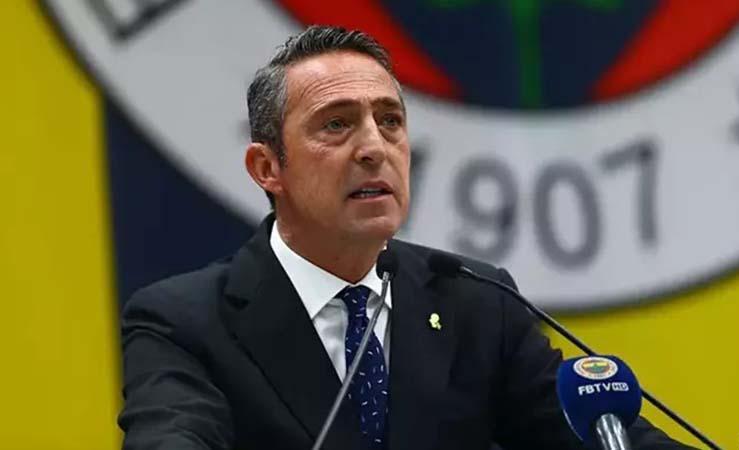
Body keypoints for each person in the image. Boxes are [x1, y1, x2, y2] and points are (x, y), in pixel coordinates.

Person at [118, 25, 693, 450]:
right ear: (268, 168)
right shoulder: (184, 322)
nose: (374, 147)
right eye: (337, 124)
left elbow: (589, 435)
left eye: (390, 121)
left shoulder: (477, 301)